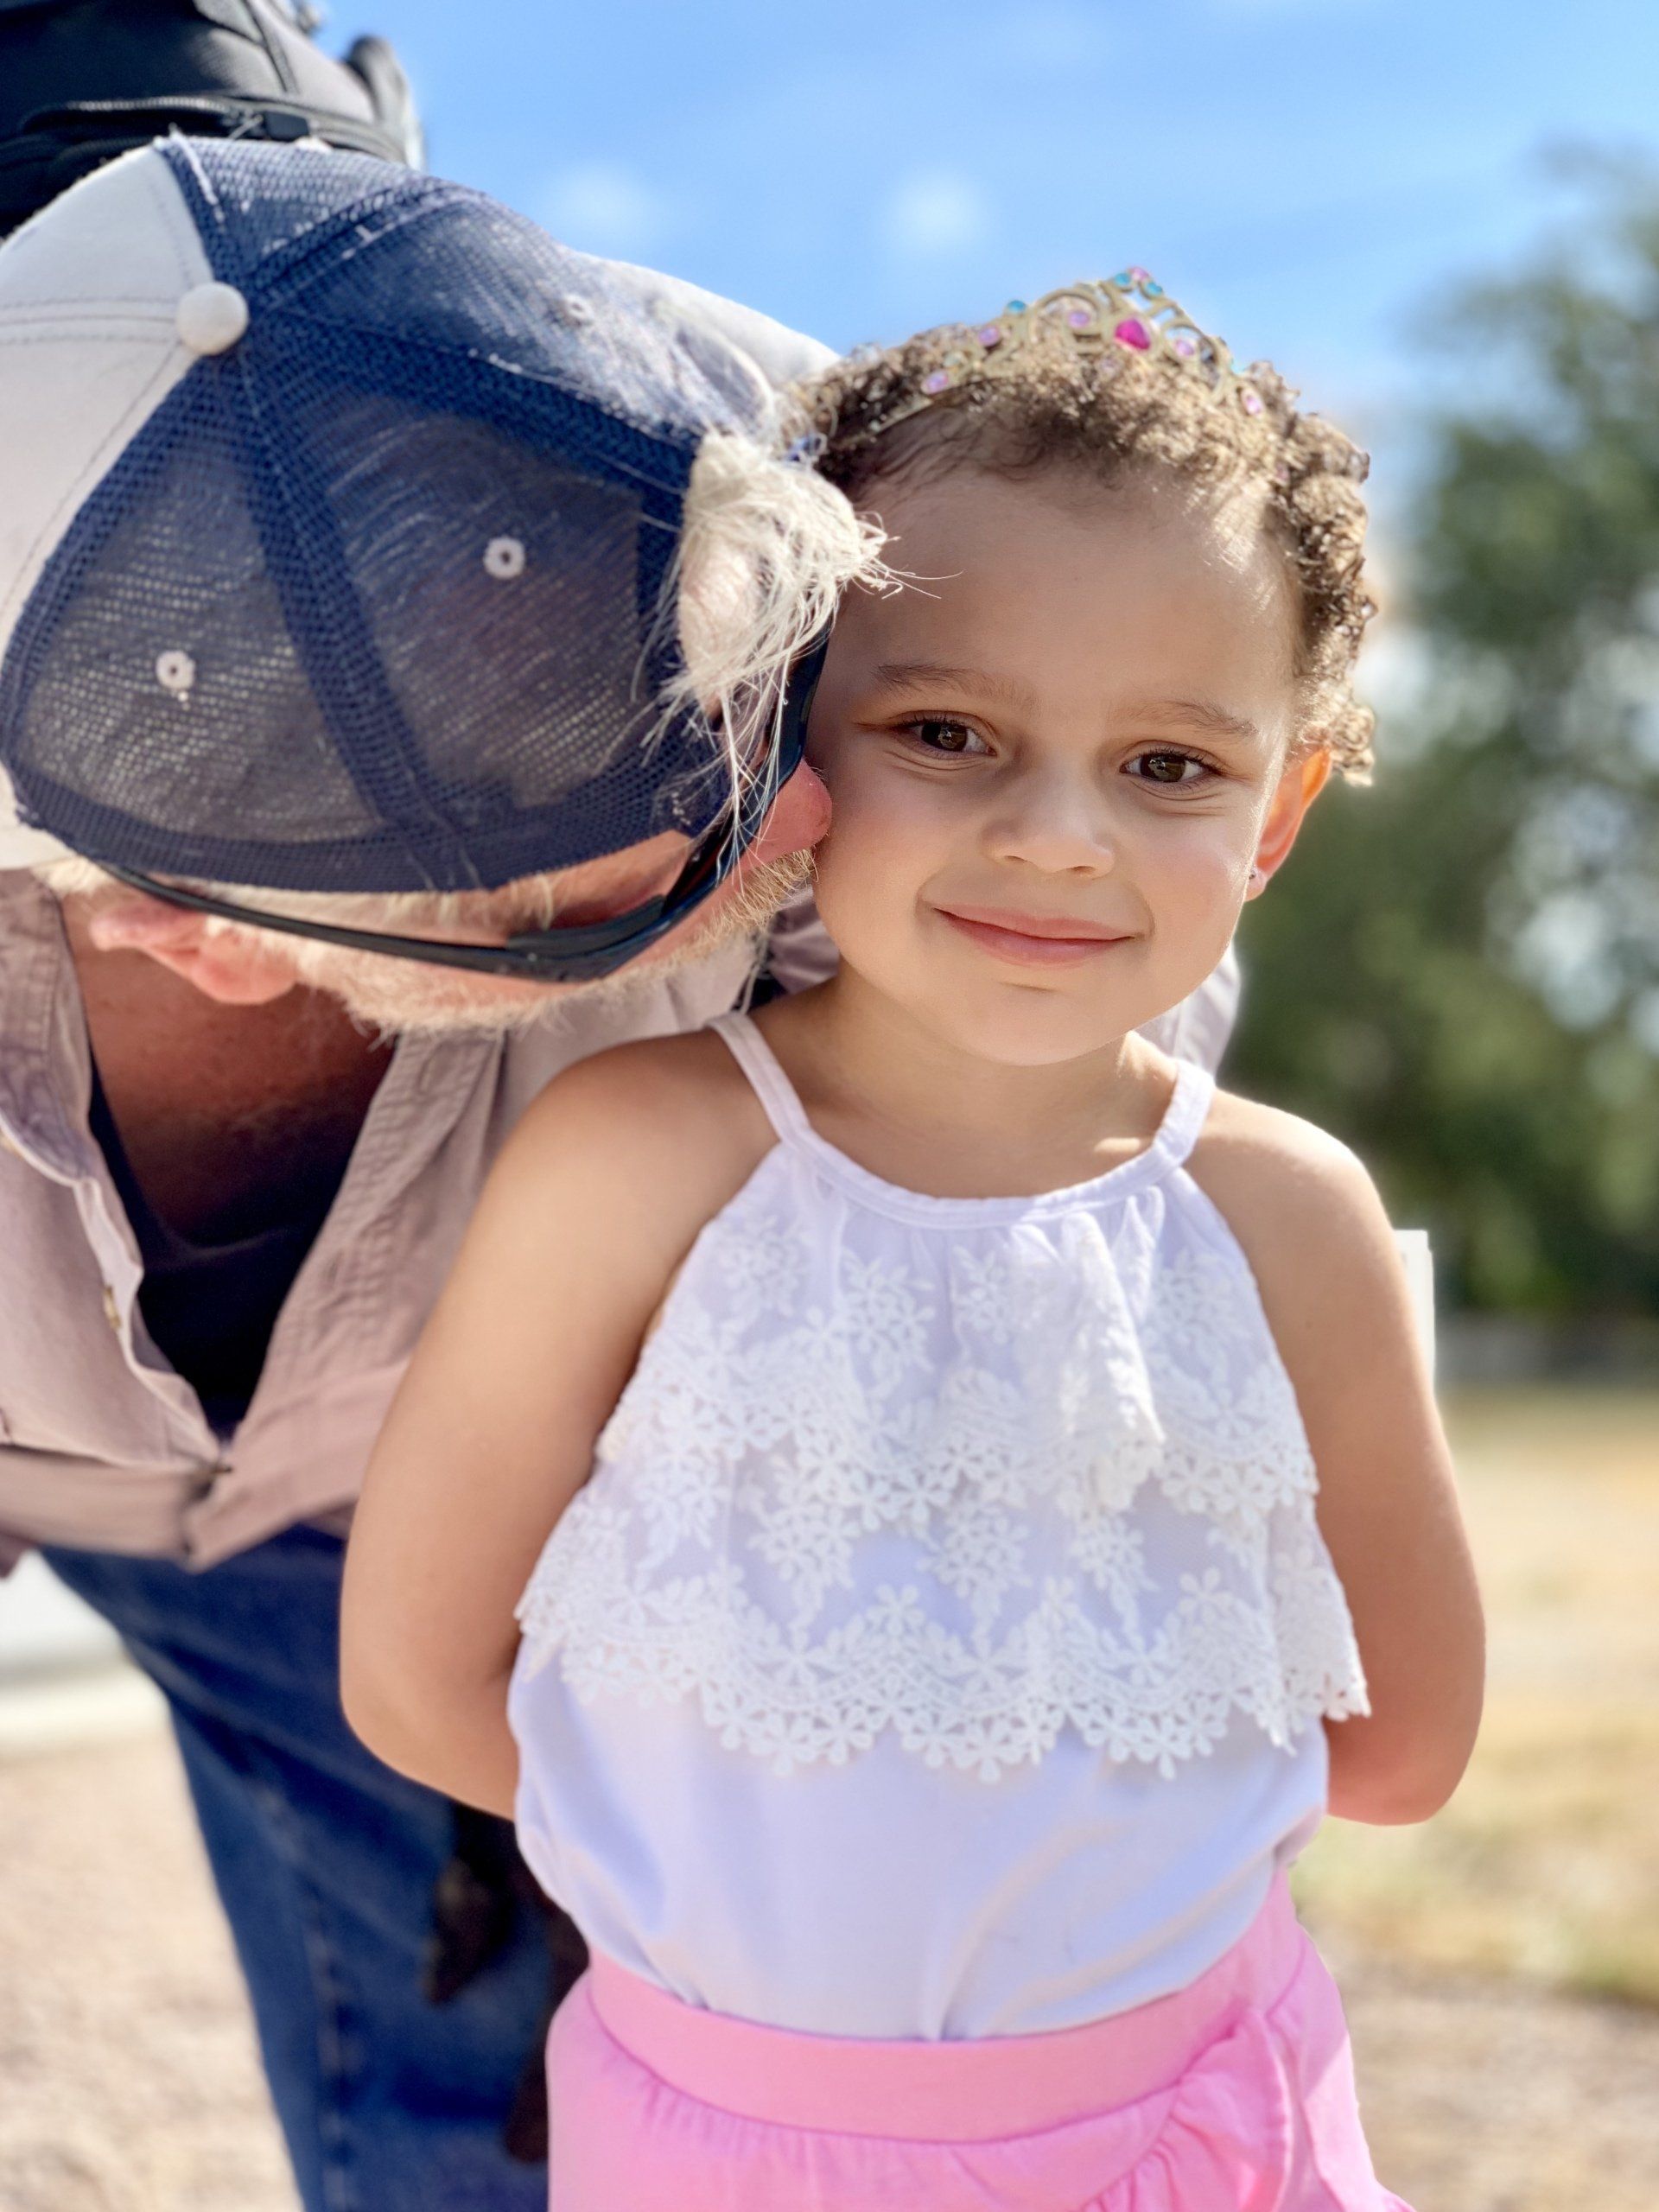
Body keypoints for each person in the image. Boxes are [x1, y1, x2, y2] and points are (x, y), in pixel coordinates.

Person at [341, 272, 1484, 2211]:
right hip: (716, 2139)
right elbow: (422, 1672)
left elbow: (1401, 1741)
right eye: (947, 728)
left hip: (1192, 2134)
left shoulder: (1289, 1218)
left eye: (1173, 766)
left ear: (1279, 811)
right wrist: (743, 1841)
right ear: (791, 740)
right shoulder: (641, 1154)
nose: (1061, 835)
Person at [0, 126, 884, 2211]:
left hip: (433, 1466)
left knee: (503, 2096)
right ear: (192, 926)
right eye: (593, 892)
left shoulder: (776, 478)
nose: (791, 829)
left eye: (730, 717)